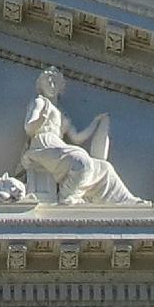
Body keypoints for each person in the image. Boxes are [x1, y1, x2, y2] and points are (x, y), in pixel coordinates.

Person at [19, 67, 137, 205]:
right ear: (40, 85)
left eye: (55, 83)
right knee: (81, 161)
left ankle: (125, 201)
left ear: (60, 88)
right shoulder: (40, 102)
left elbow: (77, 138)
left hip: (58, 146)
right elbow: (29, 127)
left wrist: (96, 122)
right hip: (43, 145)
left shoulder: (61, 113)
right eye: (48, 81)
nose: (51, 85)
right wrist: (41, 119)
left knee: (104, 168)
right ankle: (67, 196)